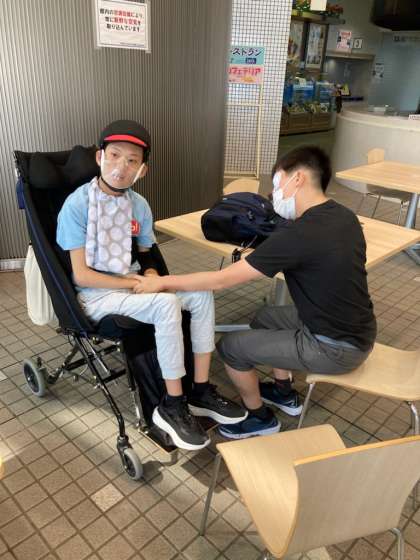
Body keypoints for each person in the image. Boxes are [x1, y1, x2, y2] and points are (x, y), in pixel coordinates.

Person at [133, 146, 377, 440]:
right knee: (266, 317)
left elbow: (220, 280)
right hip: (357, 329)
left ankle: (260, 419)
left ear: (297, 178)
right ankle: (283, 392)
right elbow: (313, 255)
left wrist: (162, 283)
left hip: (334, 347)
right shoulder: (345, 217)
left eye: (277, 182)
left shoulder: (298, 234)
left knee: (230, 348)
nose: (274, 193)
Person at [56, 119, 247, 451]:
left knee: (201, 294)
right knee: (166, 304)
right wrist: (133, 283)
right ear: (99, 157)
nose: (121, 166)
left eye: (132, 160)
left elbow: (147, 256)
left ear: (142, 170)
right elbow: (81, 276)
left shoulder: (139, 206)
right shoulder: (77, 205)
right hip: (97, 295)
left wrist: (153, 277)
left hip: (134, 285)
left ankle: (200, 390)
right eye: (114, 155)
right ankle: (172, 405)